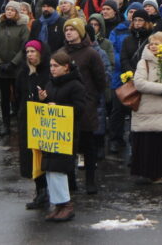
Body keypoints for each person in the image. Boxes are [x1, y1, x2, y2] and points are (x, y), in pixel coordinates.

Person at [56, 17, 106, 195]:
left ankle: (90, 180)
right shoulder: (61, 52)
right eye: (66, 30)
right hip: (66, 104)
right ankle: (71, 181)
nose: (69, 32)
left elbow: (100, 79)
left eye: (73, 29)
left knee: (88, 144)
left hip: (86, 104)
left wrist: (93, 98)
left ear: (81, 32)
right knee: (68, 146)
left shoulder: (91, 53)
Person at [36, 51, 86, 222]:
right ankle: (57, 205)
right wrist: (43, 99)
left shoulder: (76, 85)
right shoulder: (51, 84)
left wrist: (58, 107)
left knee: (59, 169)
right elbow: (48, 105)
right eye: (50, 66)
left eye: (56, 66)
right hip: (51, 134)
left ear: (66, 67)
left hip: (66, 134)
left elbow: (79, 109)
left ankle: (66, 204)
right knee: (49, 168)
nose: (52, 69)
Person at [130, 32, 162, 184]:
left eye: (157, 43)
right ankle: (153, 173)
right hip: (148, 110)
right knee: (151, 144)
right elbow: (139, 83)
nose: (153, 46)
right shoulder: (143, 63)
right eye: (151, 43)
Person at [16, 40, 51, 210]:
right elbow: (19, 93)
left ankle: (46, 191)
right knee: (31, 156)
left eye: (33, 51)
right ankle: (40, 191)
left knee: (44, 155)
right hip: (27, 116)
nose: (30, 54)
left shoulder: (48, 72)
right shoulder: (24, 72)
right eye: (27, 51)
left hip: (44, 117)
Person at [0, 2, 30, 137]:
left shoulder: (23, 27)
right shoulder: (0, 26)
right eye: (7, 9)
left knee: (19, 96)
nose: (8, 12)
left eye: (12, 10)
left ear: (17, 12)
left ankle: (21, 124)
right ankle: (5, 124)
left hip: (17, 69)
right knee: (4, 98)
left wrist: (14, 63)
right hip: (2, 69)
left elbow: (24, 47)